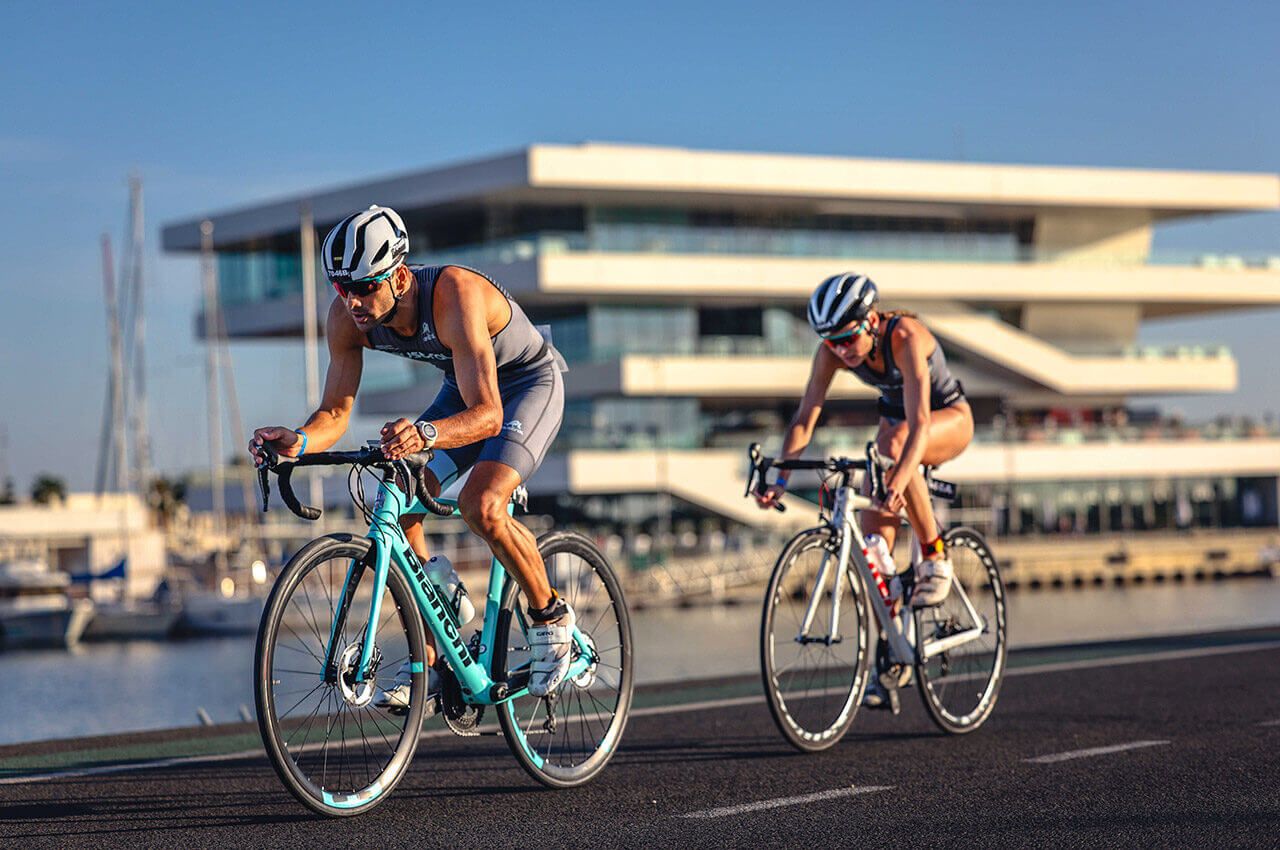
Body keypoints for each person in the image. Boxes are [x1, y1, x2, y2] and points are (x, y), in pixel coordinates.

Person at [249, 205, 572, 706]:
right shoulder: (347, 318)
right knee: (396, 498)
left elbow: (487, 416)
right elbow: (335, 410)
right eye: (341, 288)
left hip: (526, 385)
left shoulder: (454, 296)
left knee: (482, 504)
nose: (352, 301)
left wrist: (423, 433)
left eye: (364, 287)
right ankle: (437, 656)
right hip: (463, 390)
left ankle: (551, 615)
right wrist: (300, 440)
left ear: (399, 276)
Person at [755, 272, 974, 705]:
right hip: (896, 440)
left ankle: (935, 553)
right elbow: (805, 417)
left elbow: (921, 423)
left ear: (871, 321)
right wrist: (780, 478)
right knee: (874, 551)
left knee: (891, 444)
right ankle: (891, 655)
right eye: (830, 341)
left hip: (947, 420)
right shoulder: (832, 351)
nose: (839, 349)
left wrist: (897, 475)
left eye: (846, 338)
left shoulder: (906, 336)